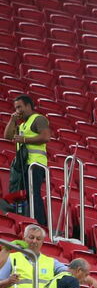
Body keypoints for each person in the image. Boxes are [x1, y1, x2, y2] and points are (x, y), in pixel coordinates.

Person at [4, 95, 51, 224]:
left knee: (33, 195)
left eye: (20, 107)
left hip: (35, 164)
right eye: (16, 108)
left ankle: (40, 224)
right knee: (25, 195)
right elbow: (7, 136)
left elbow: (46, 137)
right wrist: (12, 120)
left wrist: (24, 139)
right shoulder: (23, 124)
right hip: (24, 165)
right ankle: (28, 222)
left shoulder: (38, 119)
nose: (17, 110)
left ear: (28, 106)